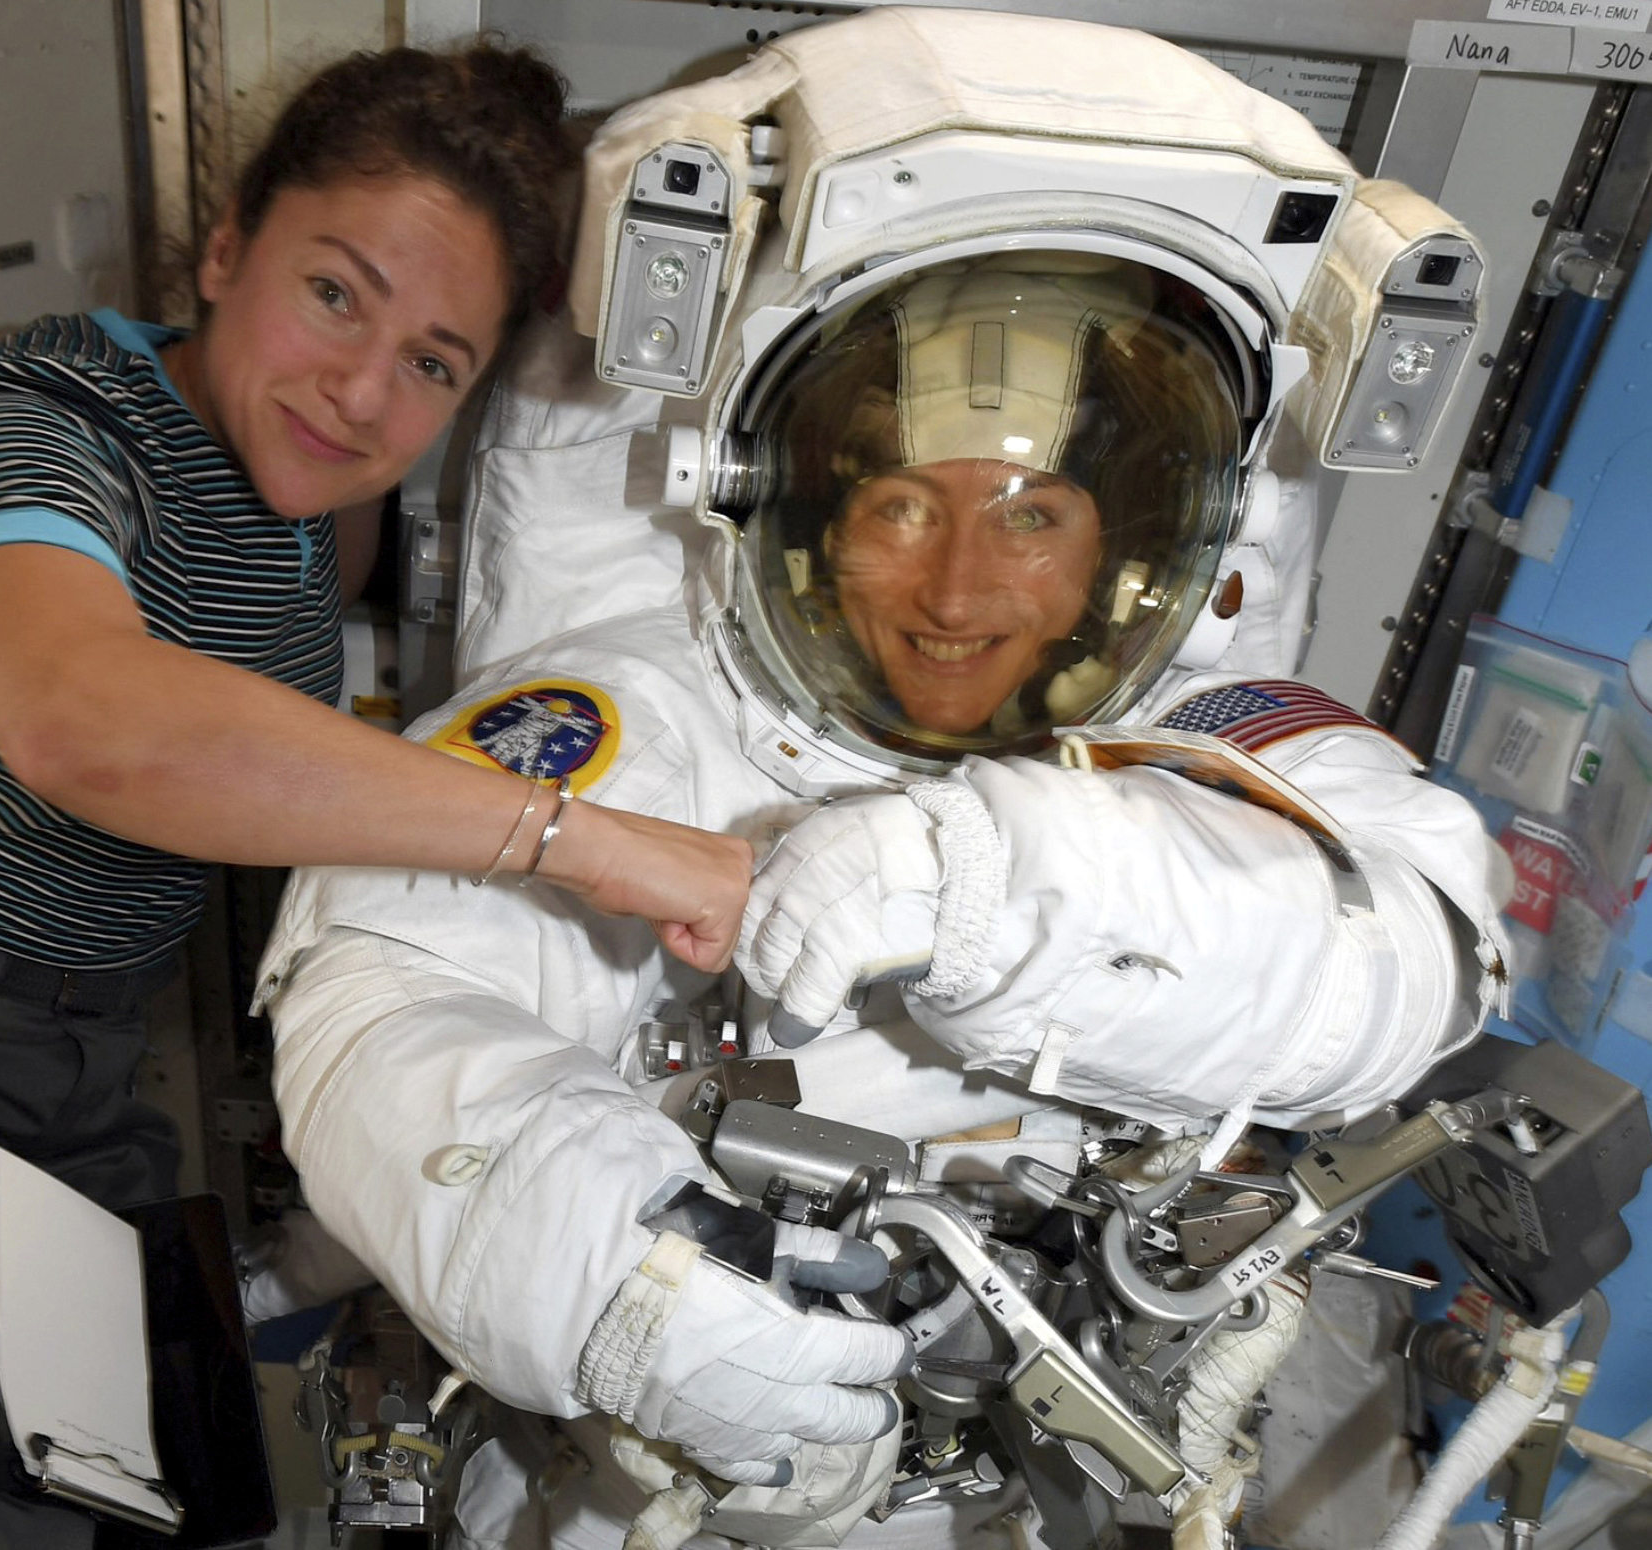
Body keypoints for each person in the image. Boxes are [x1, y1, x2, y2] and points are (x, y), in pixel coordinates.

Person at [256, 12, 1511, 1550]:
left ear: (1132, 538)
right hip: (655, 1484)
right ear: (785, 506)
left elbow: (1416, 955)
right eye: (900, 507)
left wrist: (990, 882)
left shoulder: (1213, 739)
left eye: (1034, 516)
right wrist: (621, 1272)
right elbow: (387, 990)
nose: (959, 591)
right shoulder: (649, 712)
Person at [0, 38, 749, 1550]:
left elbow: (279, 751)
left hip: (82, 1077)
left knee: (177, 1510)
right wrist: (584, 844)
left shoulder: (323, 515)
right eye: (334, 291)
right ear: (227, 250)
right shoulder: (49, 414)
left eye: (434, 362)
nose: (361, 391)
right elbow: (90, 724)